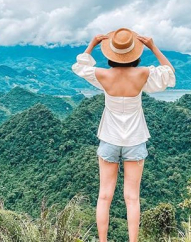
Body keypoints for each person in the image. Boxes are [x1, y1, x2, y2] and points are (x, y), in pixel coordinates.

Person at [72, 28, 176, 242]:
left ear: (111, 54)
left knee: (104, 196)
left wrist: (92, 44)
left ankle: (103, 240)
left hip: (109, 139)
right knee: (132, 198)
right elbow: (168, 73)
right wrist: (153, 46)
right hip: (135, 140)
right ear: (135, 54)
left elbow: (79, 67)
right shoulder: (143, 73)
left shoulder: (103, 75)